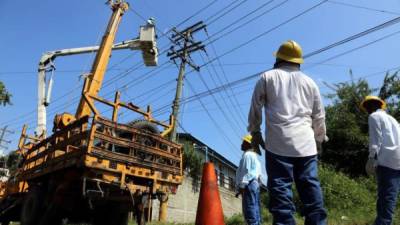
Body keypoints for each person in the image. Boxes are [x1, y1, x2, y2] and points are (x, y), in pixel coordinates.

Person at [248, 40, 327, 225]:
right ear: (298, 61)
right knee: (311, 189)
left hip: (278, 144)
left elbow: (255, 107)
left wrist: (255, 131)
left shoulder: (267, 77)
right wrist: (319, 139)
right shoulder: (310, 82)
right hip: (306, 146)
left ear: (277, 59)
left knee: (281, 193)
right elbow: (319, 116)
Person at [360, 96, 400, 225]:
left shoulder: (374, 117)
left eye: (366, 106)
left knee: (386, 198)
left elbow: (376, 140)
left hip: (386, 160)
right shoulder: (392, 119)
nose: (366, 109)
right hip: (397, 160)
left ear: (371, 105)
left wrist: (372, 158)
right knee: (389, 196)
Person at [235, 134, 263, 225]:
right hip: (255, 185)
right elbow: (259, 175)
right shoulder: (255, 157)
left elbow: (246, 172)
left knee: (249, 209)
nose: (241, 144)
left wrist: (241, 186)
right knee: (256, 208)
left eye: (244, 142)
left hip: (248, 185)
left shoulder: (247, 155)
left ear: (248, 144)